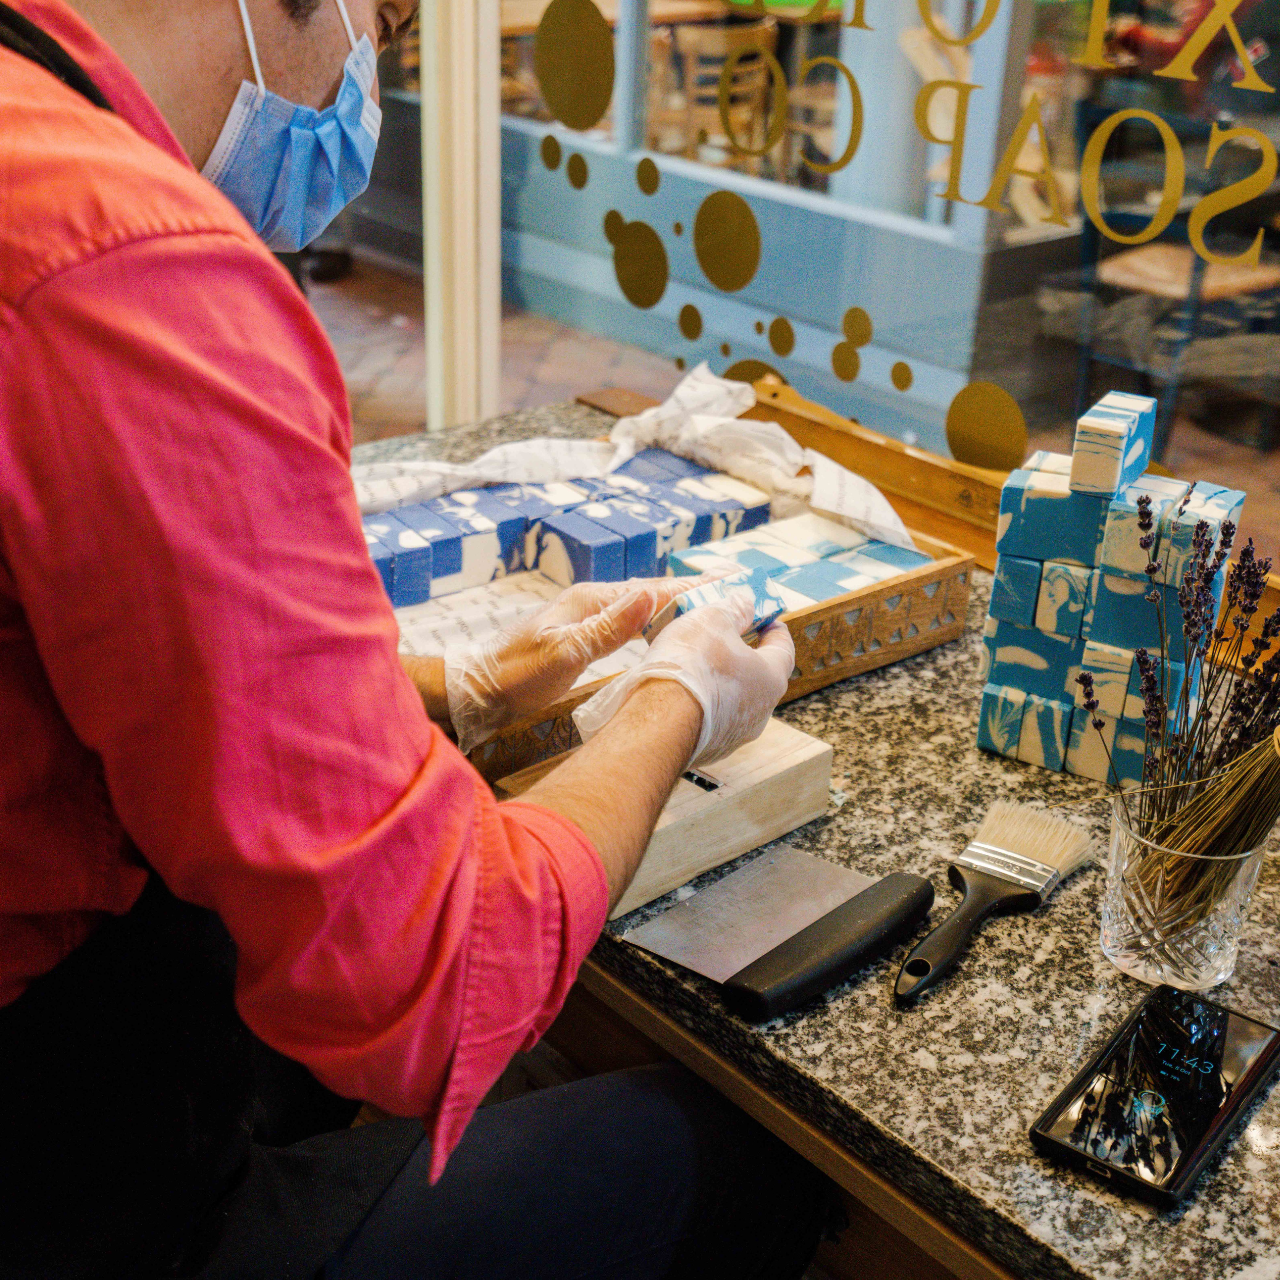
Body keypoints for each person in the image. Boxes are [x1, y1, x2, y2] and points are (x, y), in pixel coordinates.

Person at [0, 0, 834, 1276]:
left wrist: (465, 683)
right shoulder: (131, 266)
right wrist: (682, 694)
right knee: (755, 1155)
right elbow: (432, 977)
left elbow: (101, 648)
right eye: (381, 25)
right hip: (61, 1186)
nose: (366, 81)